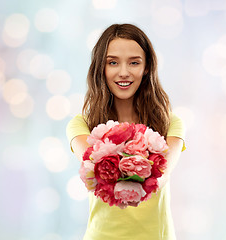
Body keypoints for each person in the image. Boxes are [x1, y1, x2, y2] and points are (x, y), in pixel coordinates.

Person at [66, 23, 186, 240]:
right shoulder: (81, 125)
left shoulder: (170, 123)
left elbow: (162, 174)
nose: (123, 72)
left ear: (147, 67)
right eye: (113, 62)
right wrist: (144, 161)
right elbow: (97, 170)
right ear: (100, 68)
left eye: (134, 62)